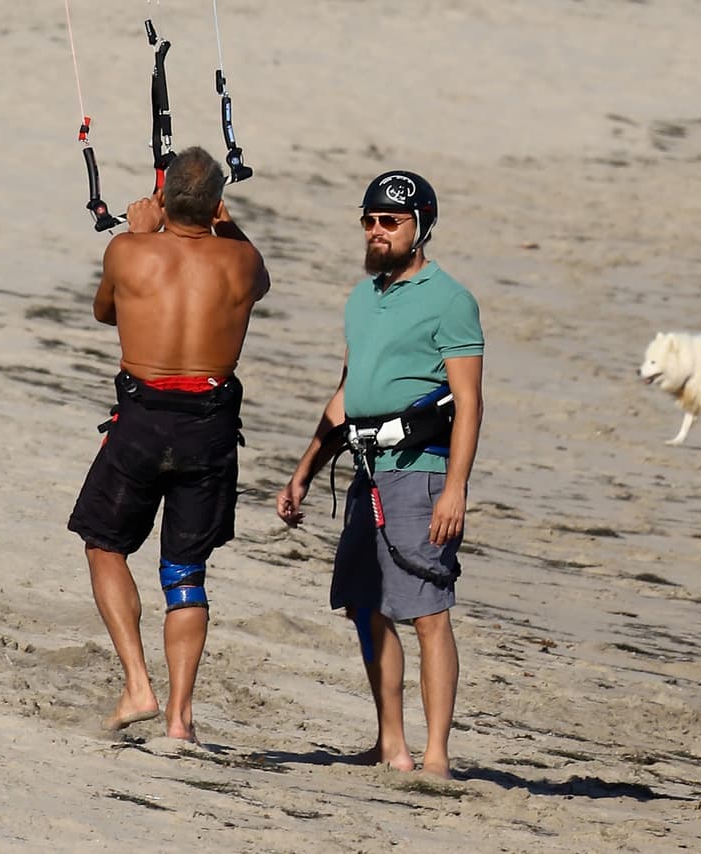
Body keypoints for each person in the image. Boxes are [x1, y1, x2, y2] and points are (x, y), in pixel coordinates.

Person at [276, 170, 484, 778]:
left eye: (390, 221)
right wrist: (304, 470)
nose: (376, 231)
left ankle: (437, 756)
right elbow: (346, 393)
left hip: (420, 473)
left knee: (428, 613)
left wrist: (455, 489)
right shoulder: (362, 297)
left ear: (421, 227)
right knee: (366, 606)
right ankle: (391, 744)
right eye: (369, 220)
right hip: (366, 472)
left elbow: (468, 402)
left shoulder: (451, 300)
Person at [68, 146, 270, 743]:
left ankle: (138, 684)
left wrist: (138, 233)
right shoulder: (243, 261)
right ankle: (180, 718)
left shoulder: (128, 251)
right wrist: (223, 224)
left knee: (104, 545)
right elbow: (256, 274)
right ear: (215, 206)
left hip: (143, 420)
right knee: (186, 571)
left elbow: (107, 311)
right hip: (208, 426)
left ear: (163, 199)